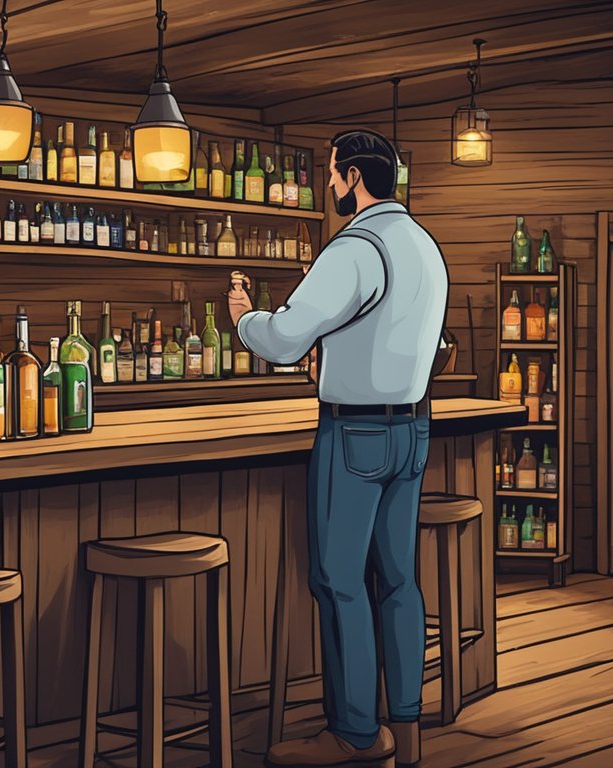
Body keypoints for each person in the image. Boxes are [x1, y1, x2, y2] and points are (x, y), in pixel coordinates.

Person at [228, 130, 448, 768]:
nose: (328, 185)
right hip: (413, 428)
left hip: (355, 434)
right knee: (400, 581)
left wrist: (245, 316)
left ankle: (356, 733)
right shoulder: (423, 246)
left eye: (332, 175)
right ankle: (405, 732)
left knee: (340, 580)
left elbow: (286, 339)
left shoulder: (353, 248)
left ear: (353, 177)